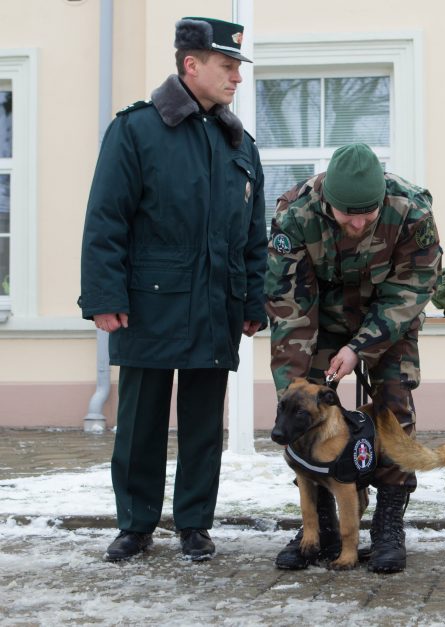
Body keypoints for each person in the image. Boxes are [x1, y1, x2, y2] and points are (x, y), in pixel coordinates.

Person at [78, 17, 267, 562]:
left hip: (217, 304)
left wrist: (252, 300)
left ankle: (194, 524)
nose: (236, 78)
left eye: (237, 67)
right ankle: (135, 525)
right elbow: (105, 220)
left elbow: (253, 234)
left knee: (205, 424)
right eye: (227, 66)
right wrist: (104, 298)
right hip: (149, 302)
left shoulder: (238, 141)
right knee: (141, 421)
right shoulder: (136, 130)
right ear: (191, 64)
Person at [266, 143, 442, 573]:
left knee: (393, 409)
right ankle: (321, 530)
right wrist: (293, 389)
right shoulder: (295, 215)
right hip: (318, 318)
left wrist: (359, 347)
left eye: (368, 212)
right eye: (349, 214)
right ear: (328, 202)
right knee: (304, 408)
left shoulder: (411, 211)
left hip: (388, 318)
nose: (360, 222)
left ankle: (387, 526)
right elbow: (289, 308)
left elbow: (412, 290)